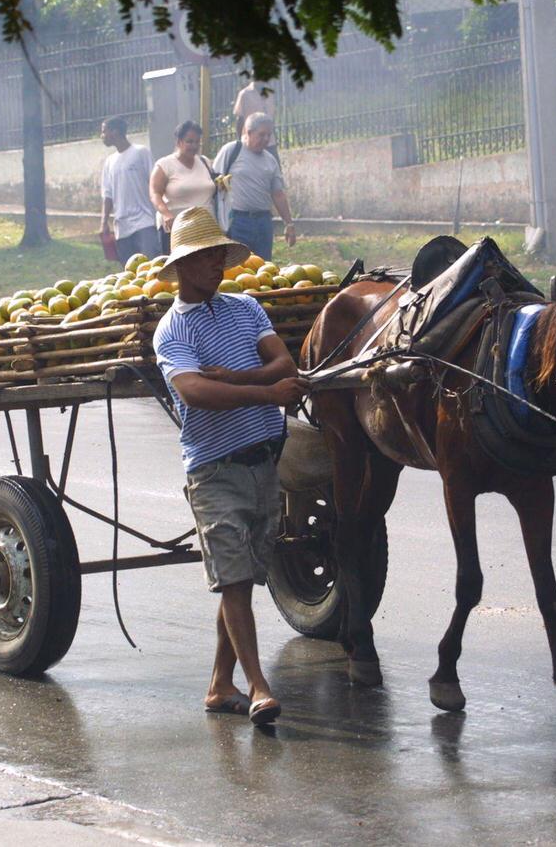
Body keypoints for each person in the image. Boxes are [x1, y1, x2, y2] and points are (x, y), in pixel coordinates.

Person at [152, 206, 310, 726]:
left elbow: (284, 363)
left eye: (219, 253)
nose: (217, 263)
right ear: (182, 266)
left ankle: (220, 686)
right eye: (205, 256)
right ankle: (258, 687)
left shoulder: (247, 307)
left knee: (244, 576)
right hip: (215, 470)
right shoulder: (172, 331)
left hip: (264, 461)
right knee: (235, 581)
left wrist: (235, 378)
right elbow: (195, 392)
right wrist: (262, 390)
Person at [212, 113, 295, 261]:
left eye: (268, 135)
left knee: (264, 267)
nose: (265, 139)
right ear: (248, 132)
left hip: (263, 222)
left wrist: (289, 223)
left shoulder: (270, 160)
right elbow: (214, 182)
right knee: (237, 266)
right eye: (261, 135)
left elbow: (278, 194)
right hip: (237, 221)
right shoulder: (231, 151)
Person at [149, 120, 216, 254]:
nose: (194, 146)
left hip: (205, 229)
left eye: (197, 142)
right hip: (176, 230)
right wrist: (166, 214)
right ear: (179, 142)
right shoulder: (164, 165)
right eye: (189, 141)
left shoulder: (205, 162)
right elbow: (155, 193)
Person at [99, 115, 158, 263]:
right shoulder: (109, 162)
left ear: (115, 132)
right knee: (129, 274)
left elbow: (155, 183)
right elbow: (108, 195)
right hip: (122, 227)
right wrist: (104, 222)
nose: (102, 136)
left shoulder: (141, 152)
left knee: (150, 267)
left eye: (104, 131)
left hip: (144, 222)